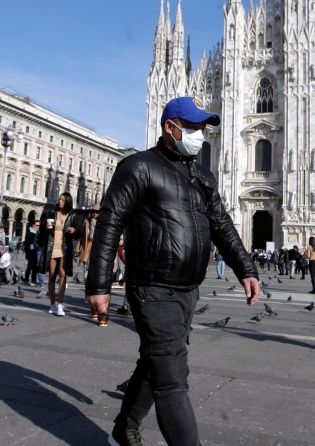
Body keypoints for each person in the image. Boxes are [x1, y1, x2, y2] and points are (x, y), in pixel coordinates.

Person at [86, 96, 259, 446]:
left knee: (156, 363)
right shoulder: (138, 166)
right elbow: (110, 223)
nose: (201, 134)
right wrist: (99, 284)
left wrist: (246, 269)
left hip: (187, 290)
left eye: (203, 128)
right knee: (172, 378)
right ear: (171, 127)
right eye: (194, 127)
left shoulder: (201, 175)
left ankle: (124, 427)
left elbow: (222, 225)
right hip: (152, 287)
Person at [39, 193, 86, 317]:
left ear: (67, 202)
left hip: (65, 248)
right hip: (52, 246)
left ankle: (60, 304)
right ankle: (52, 304)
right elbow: (42, 229)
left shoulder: (73, 215)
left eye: (62, 200)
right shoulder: (51, 212)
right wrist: (46, 226)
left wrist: (74, 230)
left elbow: (78, 232)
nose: (59, 201)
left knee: (62, 274)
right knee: (52, 276)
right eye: (59, 199)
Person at [23, 219, 42, 285]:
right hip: (30, 251)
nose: (38, 227)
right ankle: (26, 278)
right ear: (33, 225)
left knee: (35, 266)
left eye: (39, 225)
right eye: (37, 225)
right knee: (30, 265)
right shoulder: (30, 232)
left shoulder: (39, 233)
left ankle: (33, 279)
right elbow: (27, 242)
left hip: (36, 251)